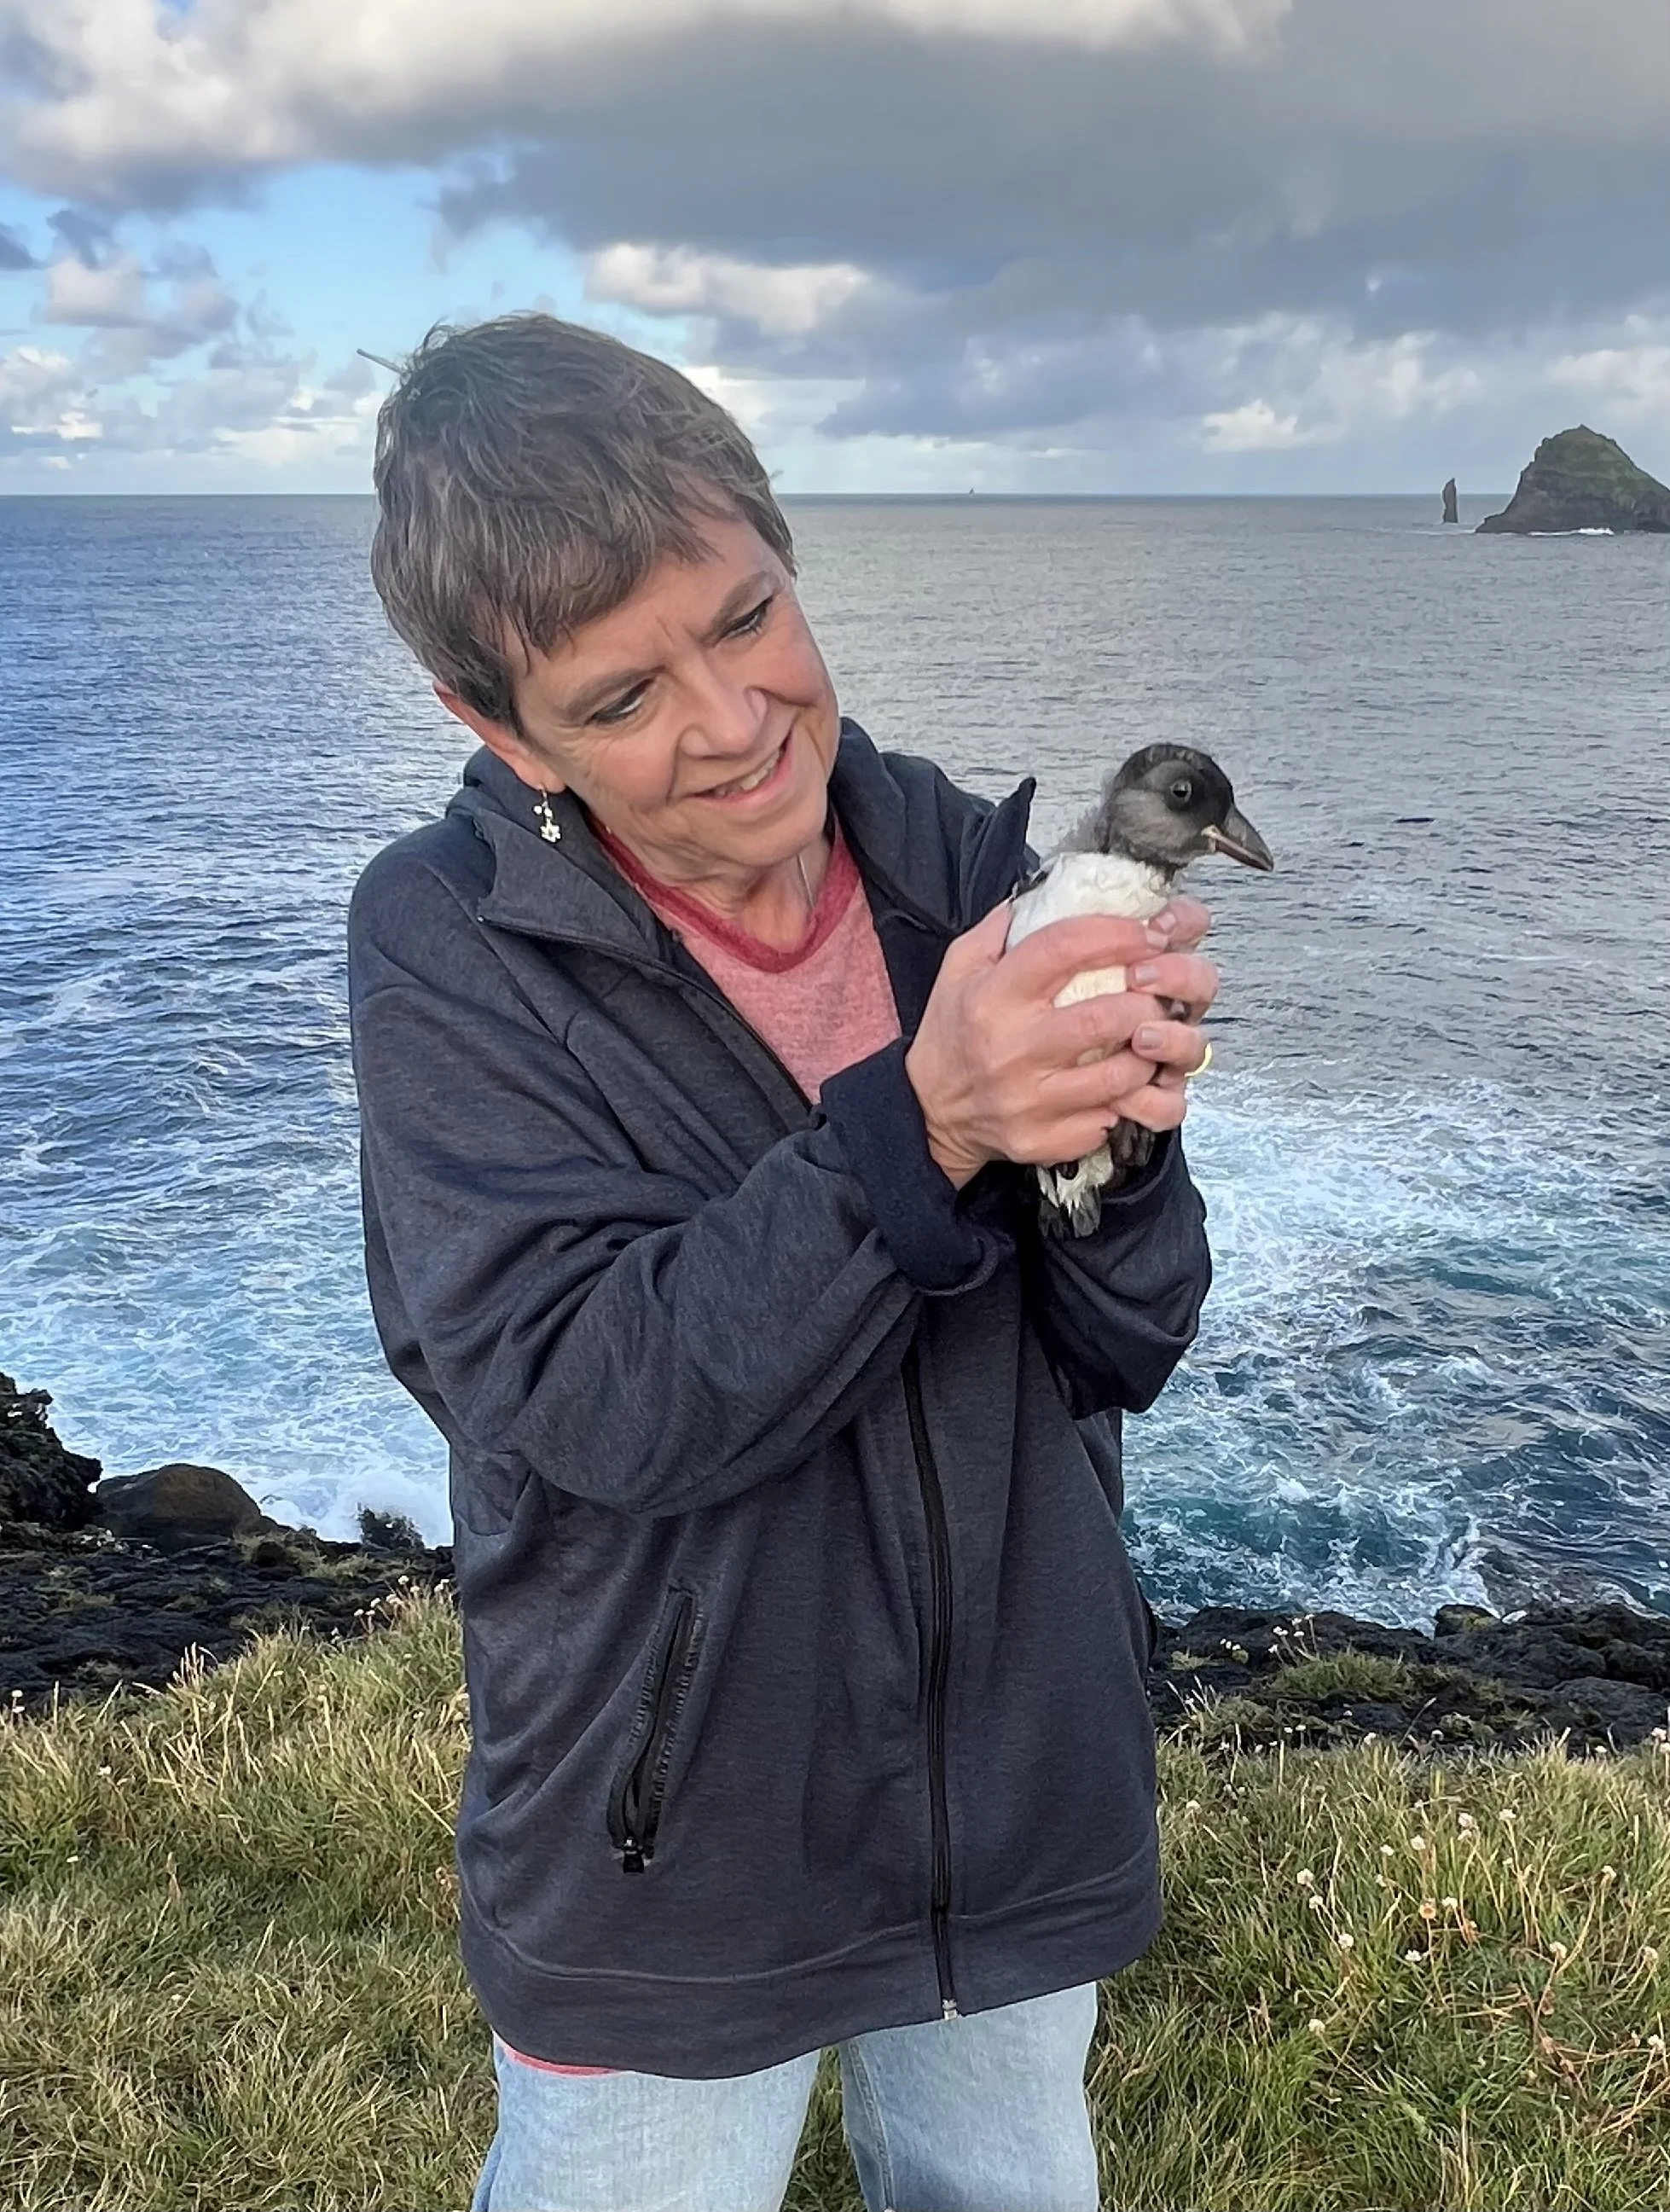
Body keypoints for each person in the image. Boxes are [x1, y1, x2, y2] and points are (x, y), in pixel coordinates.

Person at [348, 312, 1220, 2212]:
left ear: (782, 555)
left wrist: (1120, 1152)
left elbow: (1128, 1343)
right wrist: (933, 1126)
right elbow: (585, 1394)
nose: (734, 726)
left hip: (1014, 1794)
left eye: (744, 622)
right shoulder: (446, 947)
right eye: (622, 695)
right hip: (670, 1850)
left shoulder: (968, 871)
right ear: (494, 726)